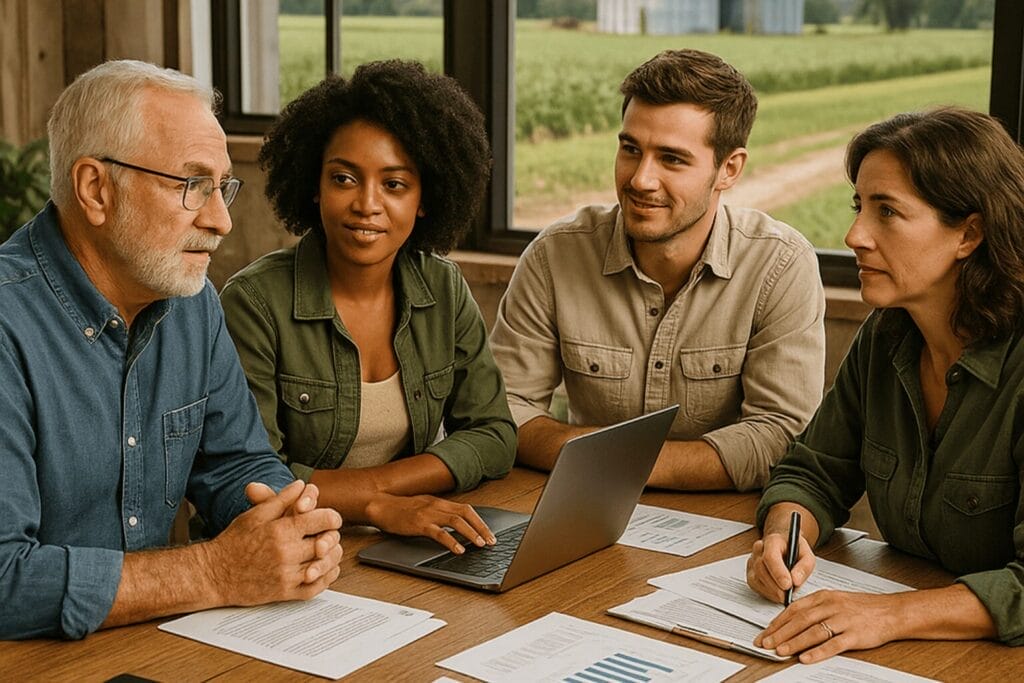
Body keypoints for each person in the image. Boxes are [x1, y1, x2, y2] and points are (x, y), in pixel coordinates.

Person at [0, 60, 344, 641]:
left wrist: (291, 525)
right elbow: (7, 580)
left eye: (222, 185)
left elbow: (234, 463)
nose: (222, 220)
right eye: (193, 185)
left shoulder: (192, 300)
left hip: (158, 646)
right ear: (95, 189)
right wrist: (216, 570)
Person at [747, 106, 1024, 661]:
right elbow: (813, 471)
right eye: (859, 207)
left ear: (969, 233)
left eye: (888, 212)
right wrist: (783, 534)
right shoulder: (887, 333)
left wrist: (890, 615)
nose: (854, 235)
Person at [488, 49, 826, 492]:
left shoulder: (779, 266)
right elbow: (501, 411)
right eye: (631, 149)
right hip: (581, 513)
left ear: (729, 169)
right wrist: (605, 459)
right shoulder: (556, 255)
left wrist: (607, 459)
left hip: (725, 526)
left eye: (671, 159)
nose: (640, 179)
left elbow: (780, 435)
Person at [220, 60, 516, 555]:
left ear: (425, 198)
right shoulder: (253, 303)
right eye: (344, 179)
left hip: (404, 541)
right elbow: (253, 478)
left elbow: (494, 434)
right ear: (315, 188)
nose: (367, 204)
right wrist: (378, 505)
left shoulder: (443, 288)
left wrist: (387, 491)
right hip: (288, 552)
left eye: (395, 184)